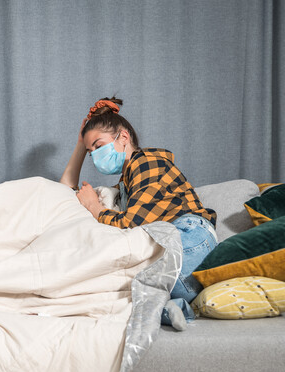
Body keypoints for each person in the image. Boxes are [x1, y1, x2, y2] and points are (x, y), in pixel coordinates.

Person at [60, 97, 218, 330]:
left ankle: (166, 301)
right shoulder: (125, 184)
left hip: (191, 239)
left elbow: (130, 222)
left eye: (98, 145)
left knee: (121, 287)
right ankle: (174, 307)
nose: (94, 156)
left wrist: (95, 207)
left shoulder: (147, 163)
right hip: (171, 247)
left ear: (123, 137)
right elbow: (65, 192)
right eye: (90, 152)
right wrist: (79, 146)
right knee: (117, 292)